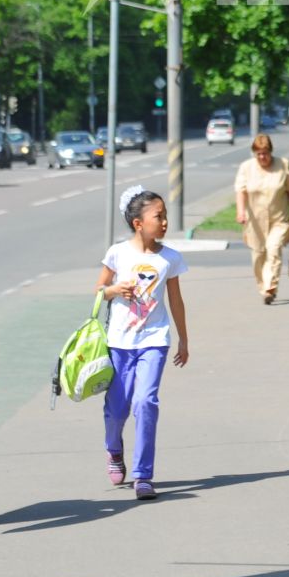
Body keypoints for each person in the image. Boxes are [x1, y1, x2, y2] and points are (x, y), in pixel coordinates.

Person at [96, 185, 191, 500]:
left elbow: (176, 301)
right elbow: (98, 289)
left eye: (165, 216)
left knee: (145, 402)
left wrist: (183, 340)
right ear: (138, 223)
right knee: (117, 409)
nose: (164, 222)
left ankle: (143, 475)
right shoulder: (117, 253)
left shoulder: (170, 259)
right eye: (158, 216)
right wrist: (113, 290)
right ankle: (114, 450)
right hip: (119, 342)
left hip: (155, 340)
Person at [233, 134, 289, 305]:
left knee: (274, 249)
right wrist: (241, 211)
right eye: (259, 154)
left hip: (279, 219)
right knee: (258, 256)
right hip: (255, 221)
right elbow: (241, 191)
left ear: (271, 152)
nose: (262, 157)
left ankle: (270, 288)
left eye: (265, 153)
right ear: (254, 153)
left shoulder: (282, 165)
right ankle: (263, 286)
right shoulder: (246, 168)